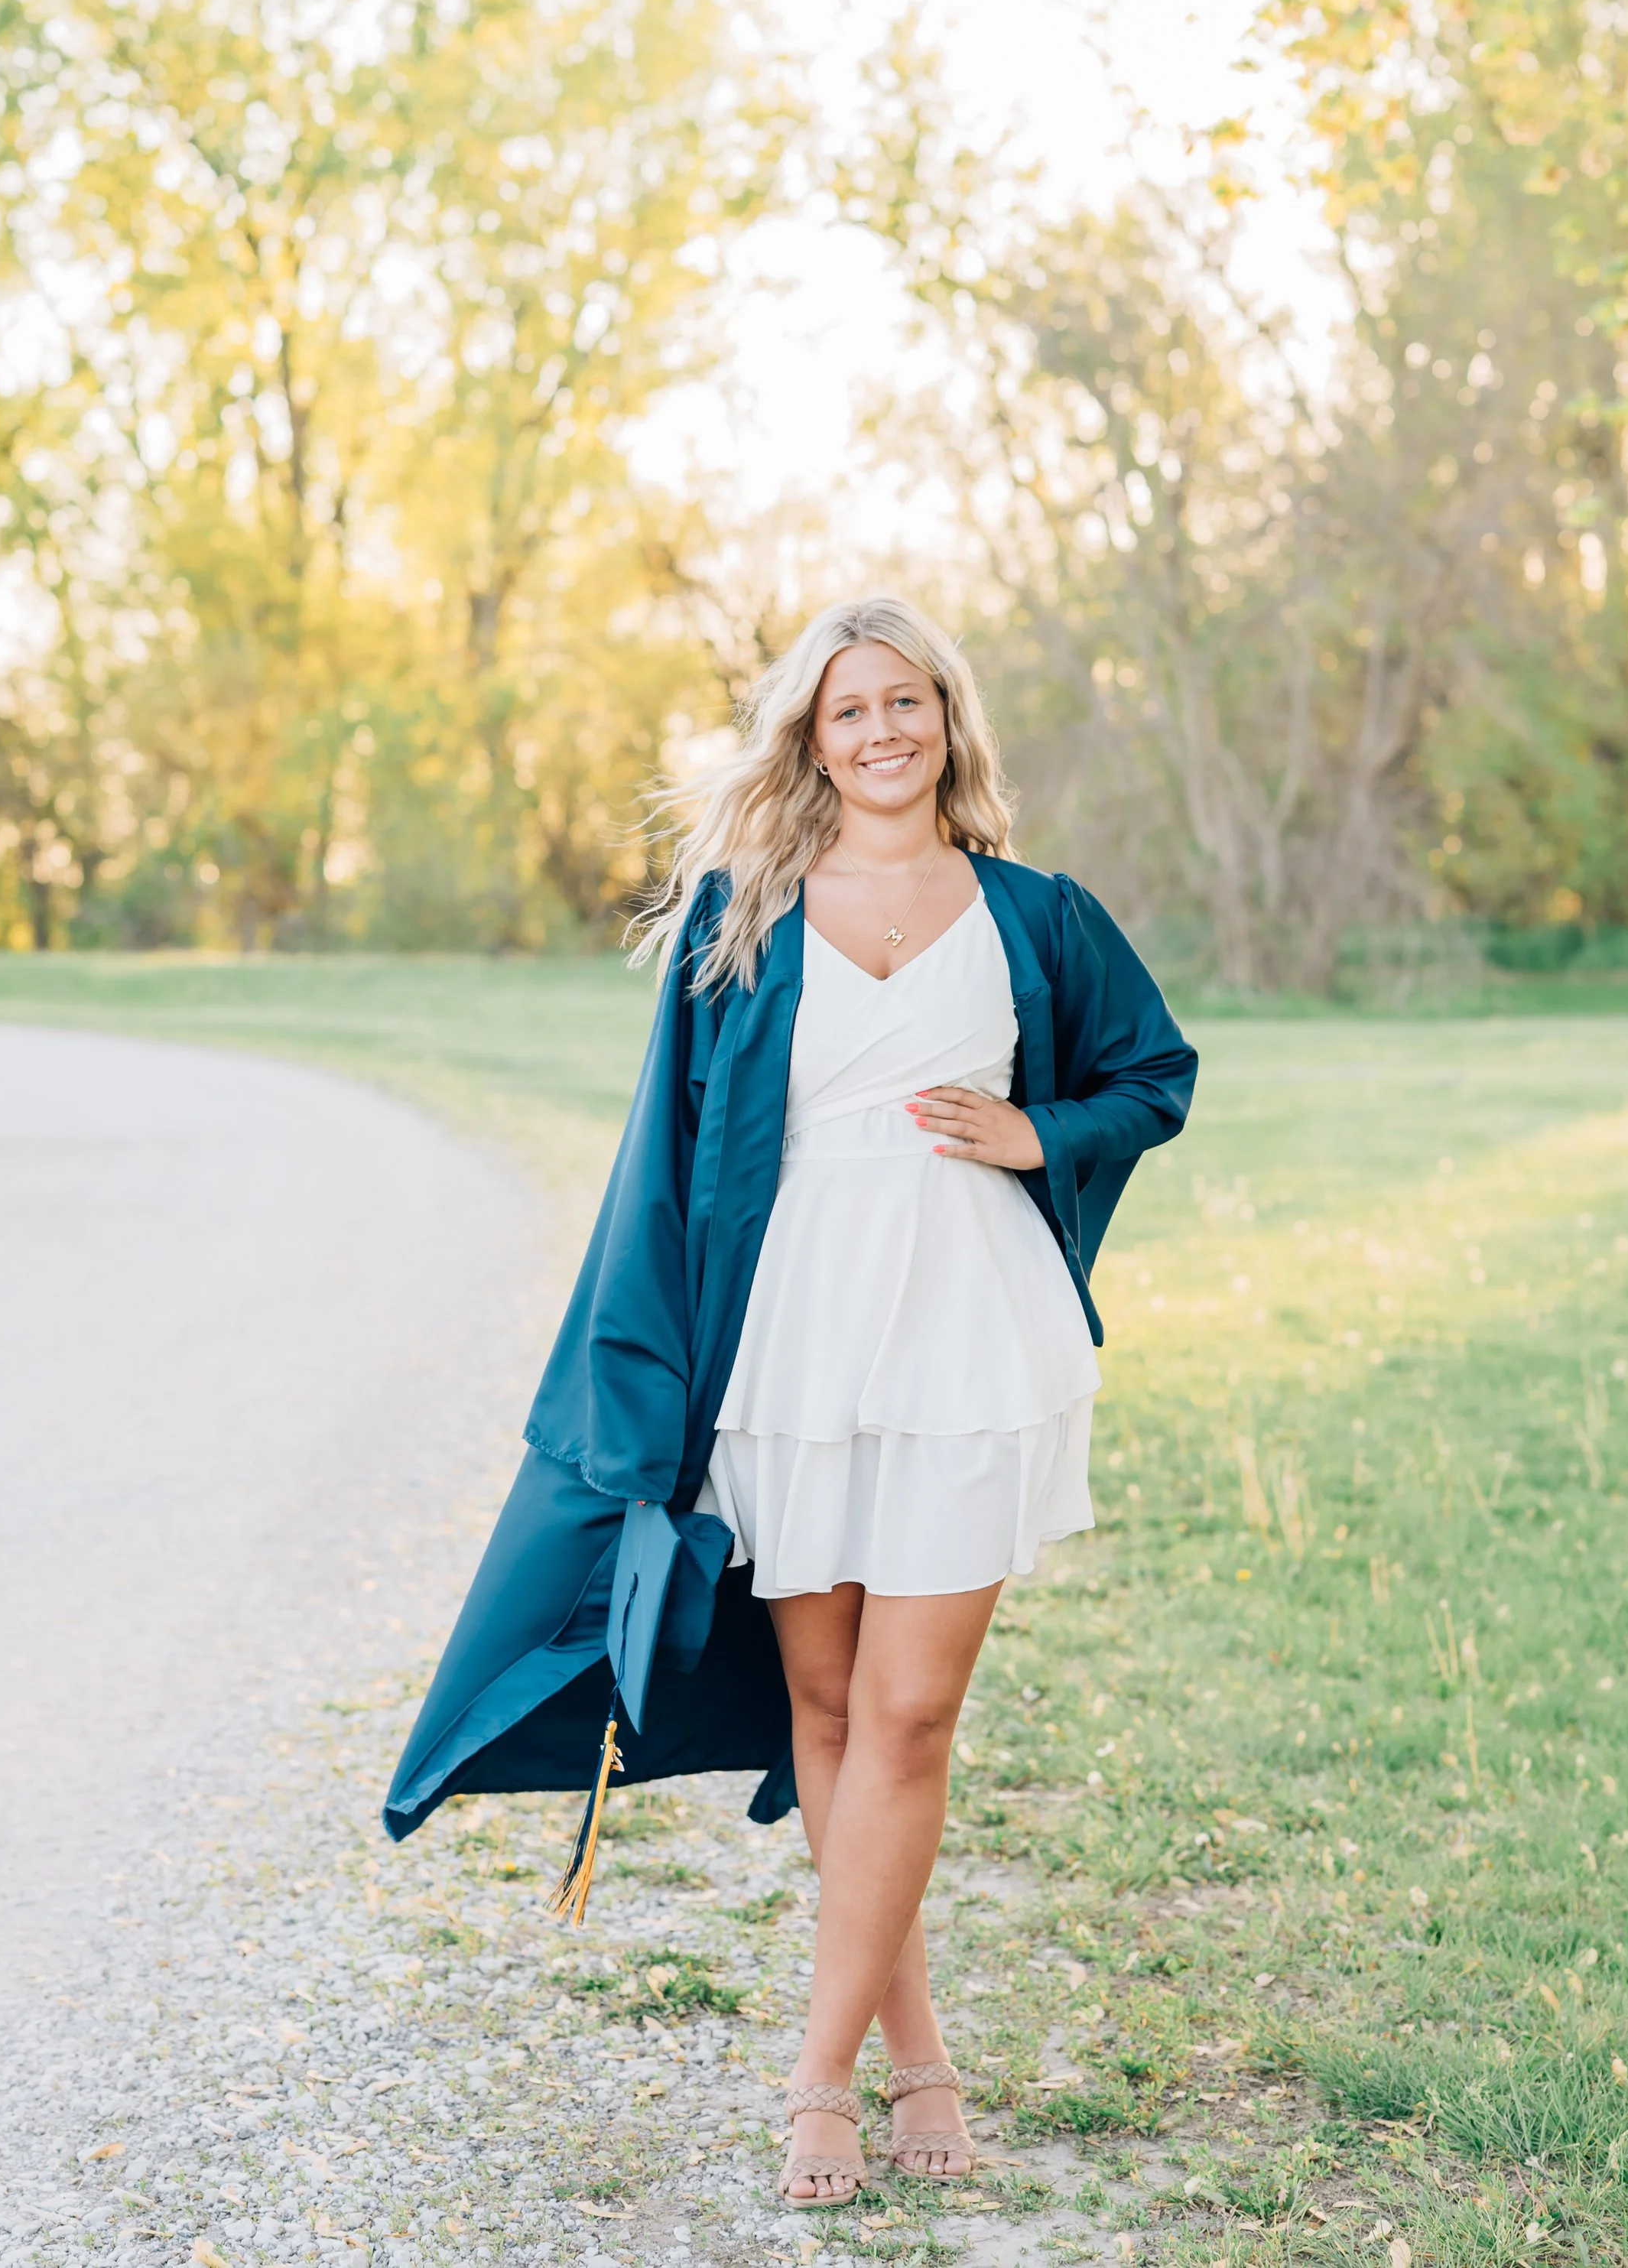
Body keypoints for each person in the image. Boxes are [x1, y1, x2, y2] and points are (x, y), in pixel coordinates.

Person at [385, 596, 1196, 2209]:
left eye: (905, 701)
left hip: (971, 1333)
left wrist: (1038, 1137)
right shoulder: (737, 916)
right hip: (789, 1347)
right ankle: (916, 2052)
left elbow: (1148, 1075)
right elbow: (660, 1172)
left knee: (908, 1714)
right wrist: (641, 1396)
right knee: (822, 1714)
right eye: (847, 712)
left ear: (946, 721)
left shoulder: (1034, 913)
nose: (881, 730)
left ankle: (813, 2083)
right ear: (809, 743)